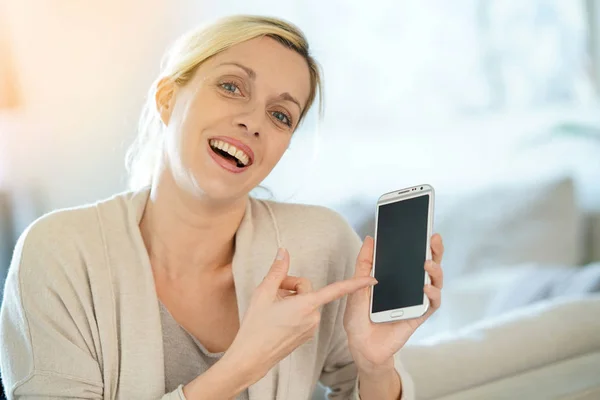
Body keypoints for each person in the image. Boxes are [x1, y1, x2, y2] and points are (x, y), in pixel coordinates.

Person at [0, 15, 444, 400]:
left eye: (280, 115)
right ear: (167, 98)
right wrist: (241, 367)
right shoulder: (58, 253)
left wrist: (374, 367)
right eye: (232, 87)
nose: (252, 121)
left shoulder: (320, 243)